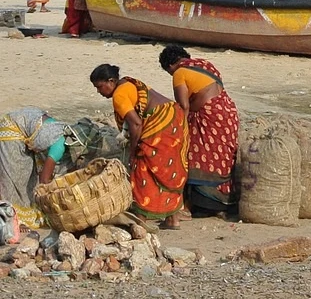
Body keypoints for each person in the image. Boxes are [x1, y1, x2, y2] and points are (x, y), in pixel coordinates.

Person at [90, 64, 187, 229]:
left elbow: (135, 124)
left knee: (141, 168)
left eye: (100, 87)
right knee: (170, 168)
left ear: (111, 81)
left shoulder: (119, 95)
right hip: (174, 117)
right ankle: (173, 219)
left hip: (160, 124)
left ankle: (140, 220)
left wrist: (134, 151)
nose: (99, 92)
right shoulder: (128, 84)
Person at [159, 45, 239, 216]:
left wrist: (180, 130)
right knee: (222, 157)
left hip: (207, 117)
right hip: (228, 113)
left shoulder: (180, 72)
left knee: (196, 156)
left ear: (170, 65)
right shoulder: (205, 65)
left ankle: (200, 205)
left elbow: (184, 106)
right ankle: (226, 201)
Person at [0, 107, 66, 229]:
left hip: (24, 124)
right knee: (16, 178)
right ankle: (15, 218)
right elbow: (44, 181)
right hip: (11, 129)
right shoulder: (59, 147)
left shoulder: (62, 131)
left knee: (29, 174)